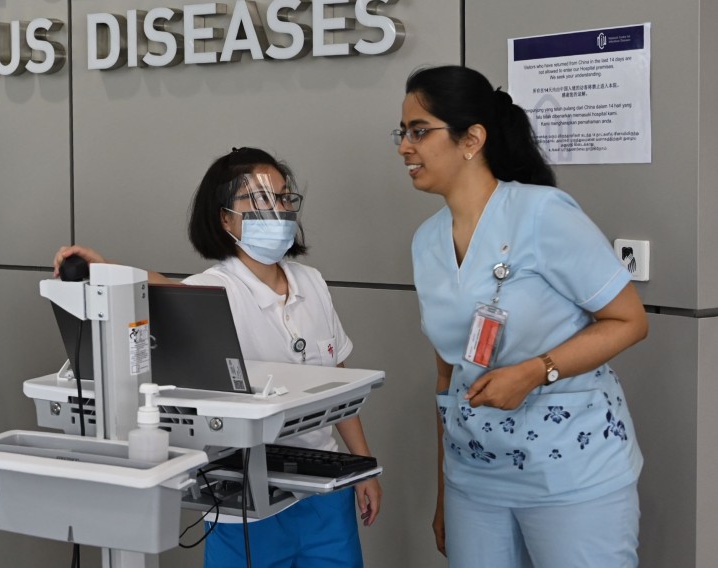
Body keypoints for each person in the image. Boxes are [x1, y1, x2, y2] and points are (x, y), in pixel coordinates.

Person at [55, 147, 380, 568]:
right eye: (259, 200)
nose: (276, 210)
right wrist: (107, 268)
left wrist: (362, 467)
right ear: (225, 218)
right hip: (248, 498)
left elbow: (340, 384)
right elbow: (163, 288)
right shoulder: (217, 288)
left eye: (282, 198)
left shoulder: (311, 282)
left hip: (324, 493)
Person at [396, 65, 647, 567]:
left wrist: (537, 371)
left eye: (419, 131)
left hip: (572, 472)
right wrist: (446, 490)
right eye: (401, 133)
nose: (404, 146)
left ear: (472, 140)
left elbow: (629, 320)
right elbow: (448, 374)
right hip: (475, 480)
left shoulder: (543, 213)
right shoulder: (426, 242)